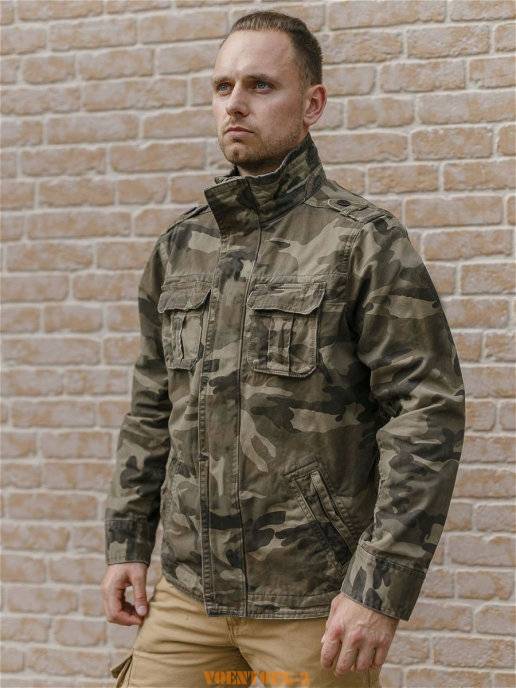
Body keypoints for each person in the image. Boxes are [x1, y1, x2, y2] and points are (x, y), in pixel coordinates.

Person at [101, 10, 466, 688]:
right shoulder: (181, 248)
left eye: (261, 85)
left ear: (312, 104)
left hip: (309, 604)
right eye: (223, 86)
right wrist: (128, 540)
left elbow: (426, 415)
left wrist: (378, 588)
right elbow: (152, 407)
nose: (235, 103)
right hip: (187, 595)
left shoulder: (363, 242)